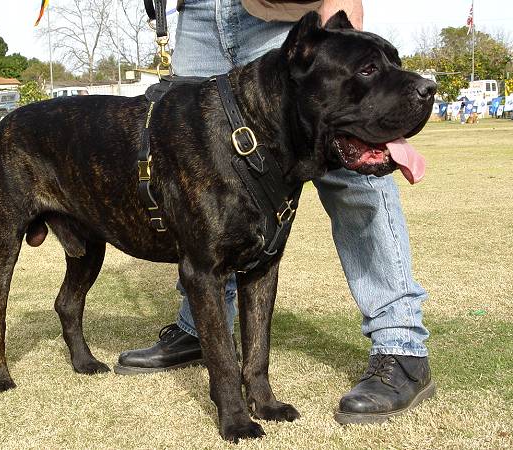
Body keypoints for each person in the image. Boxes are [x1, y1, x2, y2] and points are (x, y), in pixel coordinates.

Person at [115, 0, 435, 424]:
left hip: (285, 9)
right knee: (204, 186)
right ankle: (200, 330)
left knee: (351, 177)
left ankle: (401, 347)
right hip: (197, 16)